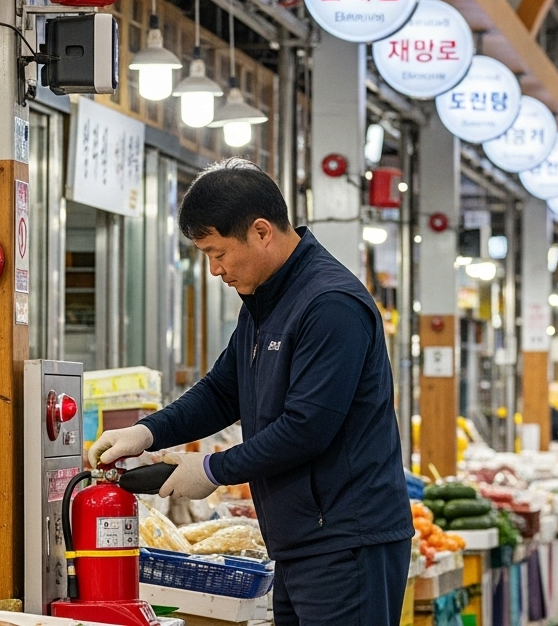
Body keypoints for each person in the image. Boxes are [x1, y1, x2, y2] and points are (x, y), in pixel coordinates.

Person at [87, 160, 414, 626]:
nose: (215, 269)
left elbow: (307, 428)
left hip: (347, 540)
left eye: (217, 252)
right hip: (301, 539)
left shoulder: (330, 304)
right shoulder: (266, 302)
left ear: (262, 232)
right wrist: (145, 433)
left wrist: (213, 468)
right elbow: (223, 391)